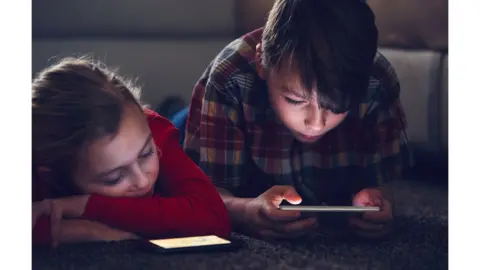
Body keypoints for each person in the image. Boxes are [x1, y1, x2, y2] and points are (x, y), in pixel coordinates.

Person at [182, 0, 412, 240]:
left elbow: (385, 187)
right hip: (204, 120)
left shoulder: (376, 80)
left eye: (337, 106)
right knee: (170, 135)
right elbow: (205, 195)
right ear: (261, 63)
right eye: (295, 100)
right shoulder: (230, 78)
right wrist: (244, 213)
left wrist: (376, 201)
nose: (316, 123)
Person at [32, 57, 230, 247]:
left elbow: (213, 217)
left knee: (181, 116)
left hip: (161, 118)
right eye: (115, 178)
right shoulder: (39, 166)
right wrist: (79, 230)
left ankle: (172, 107)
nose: (143, 182)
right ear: (54, 178)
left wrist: (88, 207)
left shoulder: (153, 131)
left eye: (146, 155)